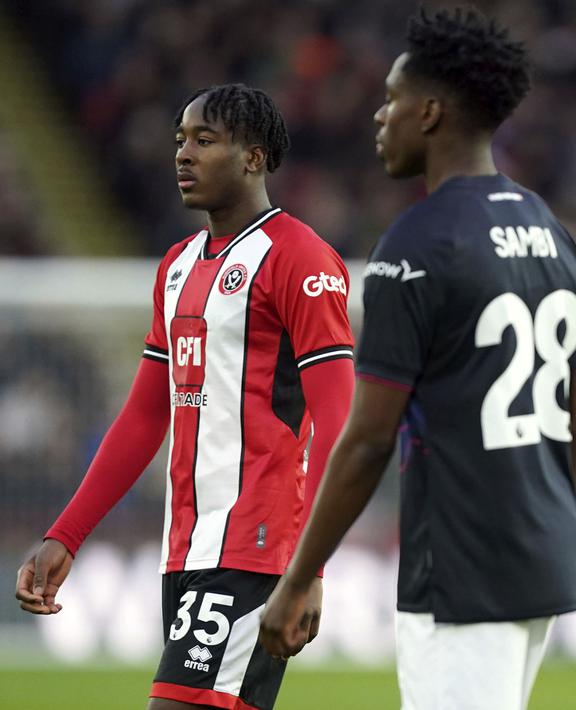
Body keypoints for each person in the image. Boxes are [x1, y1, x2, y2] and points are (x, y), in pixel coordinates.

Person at [258, 8, 576, 710]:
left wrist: (299, 576)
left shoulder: (416, 245)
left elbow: (367, 439)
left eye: (392, 99)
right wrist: (543, 519)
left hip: (461, 567)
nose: (380, 116)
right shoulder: (548, 227)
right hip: (542, 552)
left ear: (432, 112)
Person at [14, 84, 355, 710]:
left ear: (254, 157)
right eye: (179, 141)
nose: (183, 155)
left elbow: (339, 424)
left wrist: (311, 570)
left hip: (255, 549)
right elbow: (146, 417)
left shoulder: (299, 259)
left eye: (205, 140)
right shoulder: (177, 266)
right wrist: (67, 533)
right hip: (188, 549)